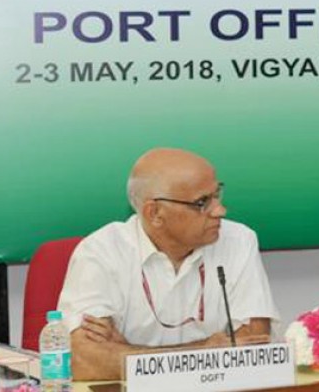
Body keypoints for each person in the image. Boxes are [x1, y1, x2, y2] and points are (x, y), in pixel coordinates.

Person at [58, 148, 280, 380]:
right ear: (154, 213)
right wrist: (202, 351)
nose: (220, 210)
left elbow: (254, 347)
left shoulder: (238, 240)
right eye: (202, 202)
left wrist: (126, 353)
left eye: (217, 195)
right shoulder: (101, 251)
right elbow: (83, 361)